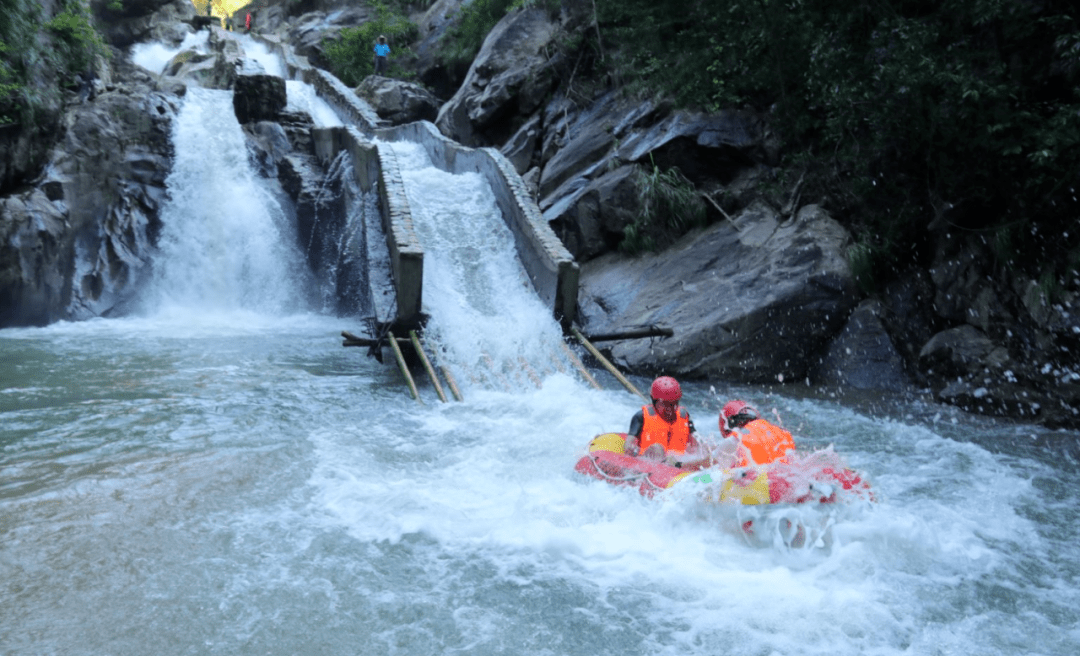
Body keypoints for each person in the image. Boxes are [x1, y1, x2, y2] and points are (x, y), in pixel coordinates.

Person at [625, 376, 707, 467]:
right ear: (654, 401)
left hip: (678, 464)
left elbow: (699, 442)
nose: (671, 409)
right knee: (657, 448)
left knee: (707, 447)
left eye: (674, 403)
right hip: (649, 464)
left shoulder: (684, 416)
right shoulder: (641, 416)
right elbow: (628, 446)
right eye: (666, 404)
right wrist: (636, 452)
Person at [719, 400, 796, 467]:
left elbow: (711, 472)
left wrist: (706, 479)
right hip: (788, 478)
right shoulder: (780, 433)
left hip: (754, 481)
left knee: (708, 478)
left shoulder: (733, 440)